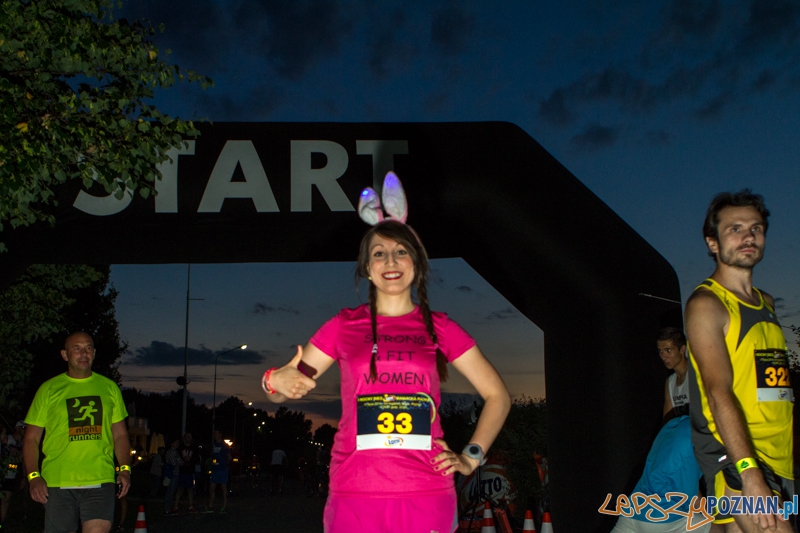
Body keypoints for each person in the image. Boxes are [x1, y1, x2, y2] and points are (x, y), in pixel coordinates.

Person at [264, 173, 511, 533]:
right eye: (379, 253)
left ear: (417, 262)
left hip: (427, 491)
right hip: (354, 491)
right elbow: (284, 388)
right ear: (366, 266)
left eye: (401, 251)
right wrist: (274, 380)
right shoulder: (343, 326)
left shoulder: (440, 327)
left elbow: (498, 396)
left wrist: (471, 457)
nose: (390, 261)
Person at [686, 190, 793, 532]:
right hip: (737, 457)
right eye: (735, 229)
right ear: (713, 242)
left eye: (756, 228)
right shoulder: (707, 305)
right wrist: (749, 472)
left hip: (780, 456)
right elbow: (718, 394)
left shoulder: (766, 303)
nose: (748, 236)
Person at [23, 331, 131, 533]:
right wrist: (33, 476)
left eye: (88, 348)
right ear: (65, 355)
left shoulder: (109, 388)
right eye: (77, 348)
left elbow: (121, 435)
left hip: (100, 479)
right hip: (58, 481)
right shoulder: (48, 389)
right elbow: (31, 439)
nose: (84, 353)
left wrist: (125, 469)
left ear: (94, 353)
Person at [658, 327, 690, 422]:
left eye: (668, 350)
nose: (663, 356)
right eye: (660, 351)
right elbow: (667, 421)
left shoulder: (695, 374)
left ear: (682, 349)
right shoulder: (670, 382)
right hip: (683, 434)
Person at [203, 430, 230, 514]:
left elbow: (229, 457)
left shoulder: (224, 446)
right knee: (212, 488)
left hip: (222, 469)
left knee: (223, 488)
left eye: (216, 434)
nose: (215, 435)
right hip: (214, 469)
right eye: (214, 434)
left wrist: (225, 464)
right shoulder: (214, 445)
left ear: (220, 435)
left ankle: (224, 506)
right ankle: (210, 506)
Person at [173, 432, 199, 513]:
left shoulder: (194, 448)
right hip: (181, 471)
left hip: (190, 471)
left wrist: (190, 460)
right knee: (179, 489)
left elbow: (196, 459)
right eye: (187, 436)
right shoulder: (180, 448)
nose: (188, 438)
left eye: (190, 436)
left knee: (190, 489)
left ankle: (191, 506)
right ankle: (175, 506)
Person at [163, 438, 182, 516]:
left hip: (175, 473)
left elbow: (181, 461)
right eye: (175, 442)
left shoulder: (175, 452)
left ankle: (168, 508)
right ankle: (167, 508)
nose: (177, 444)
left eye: (178, 442)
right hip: (172, 473)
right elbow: (175, 463)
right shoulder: (171, 452)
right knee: (170, 491)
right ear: (172, 444)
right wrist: (179, 462)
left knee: (171, 491)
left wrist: (179, 462)